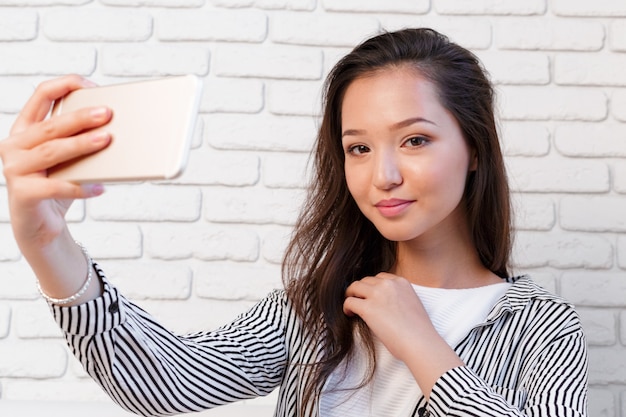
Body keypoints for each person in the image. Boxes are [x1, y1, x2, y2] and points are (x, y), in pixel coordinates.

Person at [0, 28, 588, 417]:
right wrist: (48, 246)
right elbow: (162, 383)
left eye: (414, 139)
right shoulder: (316, 306)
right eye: (357, 148)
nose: (381, 175)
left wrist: (422, 346)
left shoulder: (541, 327)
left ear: (475, 148)